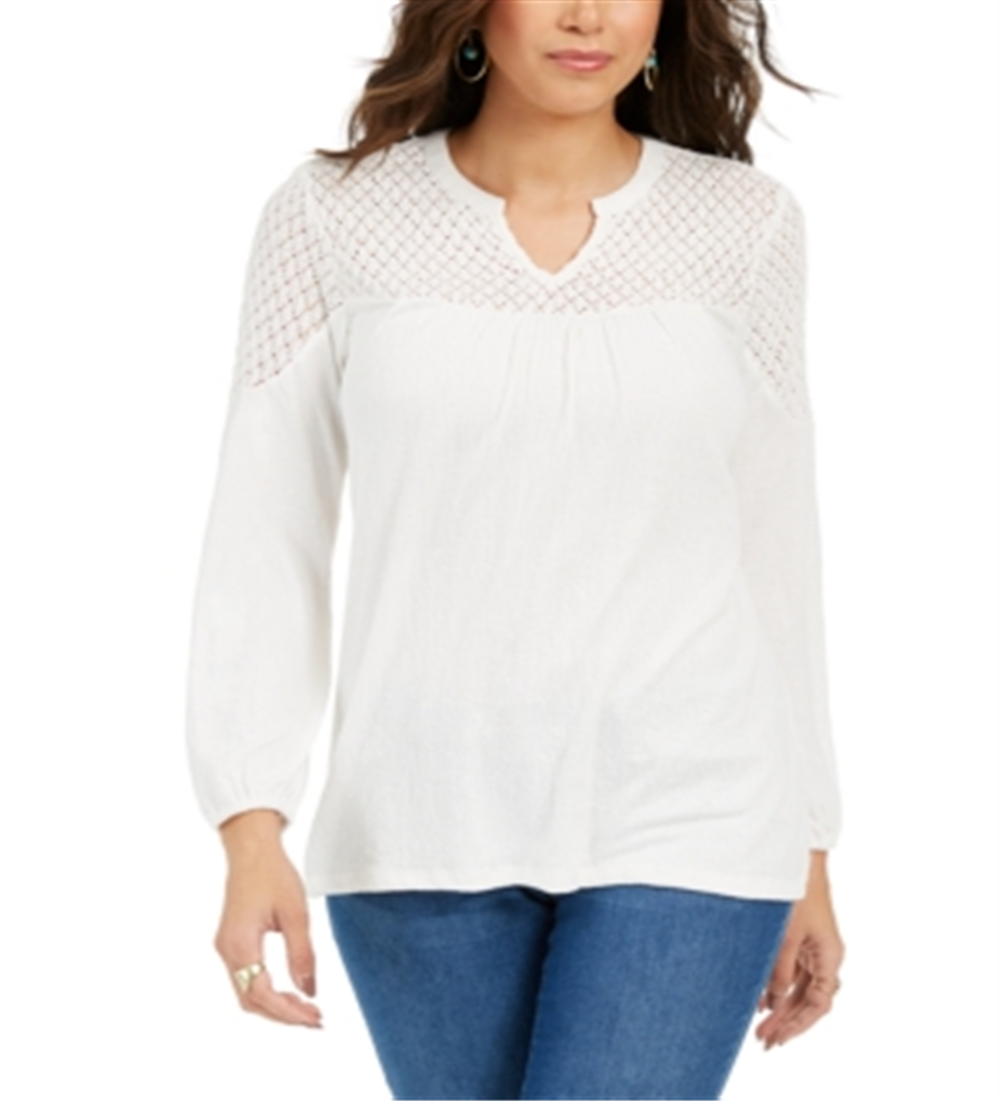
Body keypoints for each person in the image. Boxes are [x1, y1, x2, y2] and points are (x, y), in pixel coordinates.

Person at [184, 0, 847, 1096]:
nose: (587, 14)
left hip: (698, 812)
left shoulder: (746, 223)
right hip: (417, 819)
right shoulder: (334, 214)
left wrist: (810, 844)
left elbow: (776, 542)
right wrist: (250, 824)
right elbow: (267, 525)